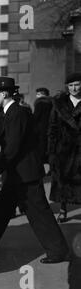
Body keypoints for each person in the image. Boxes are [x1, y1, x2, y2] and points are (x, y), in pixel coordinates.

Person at [0, 77, 69, 264]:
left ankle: (58, 251)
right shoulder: (7, 113)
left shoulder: (18, 113)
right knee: (1, 210)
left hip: (26, 174)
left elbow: (13, 146)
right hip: (17, 174)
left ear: (5, 94)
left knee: (39, 213)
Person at [48, 73, 81, 223]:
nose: (74, 88)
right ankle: (63, 209)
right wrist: (51, 151)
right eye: (71, 85)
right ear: (67, 87)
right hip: (64, 149)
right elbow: (52, 128)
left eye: (77, 84)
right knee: (63, 180)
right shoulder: (58, 104)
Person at [33, 87, 53, 165]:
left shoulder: (40, 103)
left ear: (42, 95)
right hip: (50, 127)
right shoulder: (52, 102)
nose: (36, 96)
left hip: (40, 129)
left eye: (38, 94)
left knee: (41, 148)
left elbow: (36, 116)